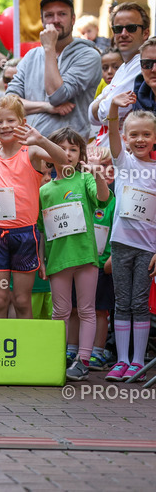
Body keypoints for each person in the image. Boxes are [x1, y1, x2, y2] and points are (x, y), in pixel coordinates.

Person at [0, 95, 67, 320]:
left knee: (21, 300)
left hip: (24, 235)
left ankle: (24, 351)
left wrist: (40, 140)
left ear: (22, 122)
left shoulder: (31, 152)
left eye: (11, 120)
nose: (5, 126)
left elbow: (65, 159)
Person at [39, 129, 109, 381]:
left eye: (73, 149)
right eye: (61, 148)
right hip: (58, 260)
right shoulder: (44, 190)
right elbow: (41, 228)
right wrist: (41, 259)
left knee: (87, 310)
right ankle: (57, 357)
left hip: (85, 257)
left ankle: (83, 360)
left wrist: (97, 173)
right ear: (49, 152)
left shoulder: (85, 179)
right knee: (61, 311)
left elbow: (102, 198)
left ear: (80, 154)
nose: (67, 154)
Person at [103, 93, 156, 382]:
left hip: (147, 248)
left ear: (154, 138)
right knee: (122, 303)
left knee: (139, 303)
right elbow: (111, 128)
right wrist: (114, 106)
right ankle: (121, 361)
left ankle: (137, 361)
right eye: (134, 134)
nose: (140, 139)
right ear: (125, 138)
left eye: (146, 135)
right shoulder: (123, 163)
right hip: (121, 244)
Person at [6, 0, 101, 139]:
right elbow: (9, 104)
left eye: (62, 14)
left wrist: (49, 48)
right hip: (28, 149)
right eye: (49, 15)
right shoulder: (31, 56)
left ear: (73, 19)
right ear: (42, 20)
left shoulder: (89, 55)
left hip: (66, 152)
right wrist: (46, 107)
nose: (55, 20)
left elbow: (57, 96)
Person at [89, 2, 150, 146]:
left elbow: (104, 113)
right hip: (107, 159)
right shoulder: (122, 67)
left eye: (131, 28)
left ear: (145, 33)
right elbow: (91, 116)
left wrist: (103, 100)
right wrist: (107, 101)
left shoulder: (144, 64)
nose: (123, 34)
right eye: (118, 29)